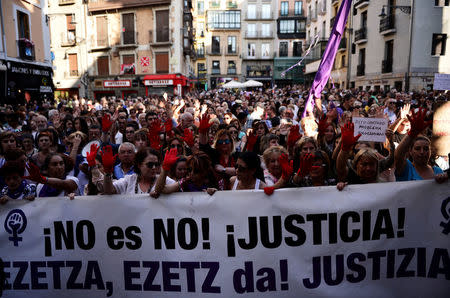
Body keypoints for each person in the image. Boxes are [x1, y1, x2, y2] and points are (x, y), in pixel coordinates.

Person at [394, 108, 446, 182]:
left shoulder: (438, 171)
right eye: (417, 148)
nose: (422, 152)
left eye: (426, 149)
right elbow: (398, 155)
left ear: (430, 151)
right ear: (410, 152)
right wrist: (411, 134)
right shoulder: (406, 168)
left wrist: (445, 178)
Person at [103, 146, 175, 194]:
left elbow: (180, 188)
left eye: (156, 164)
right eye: (149, 165)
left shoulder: (164, 180)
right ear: (139, 165)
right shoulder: (129, 180)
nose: (154, 167)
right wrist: (107, 172)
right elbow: (108, 191)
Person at [152, 149, 219, 196]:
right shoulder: (185, 182)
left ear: (205, 171)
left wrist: (215, 193)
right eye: (189, 170)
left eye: (196, 171)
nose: (191, 173)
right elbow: (160, 190)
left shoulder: (213, 182)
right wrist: (165, 169)